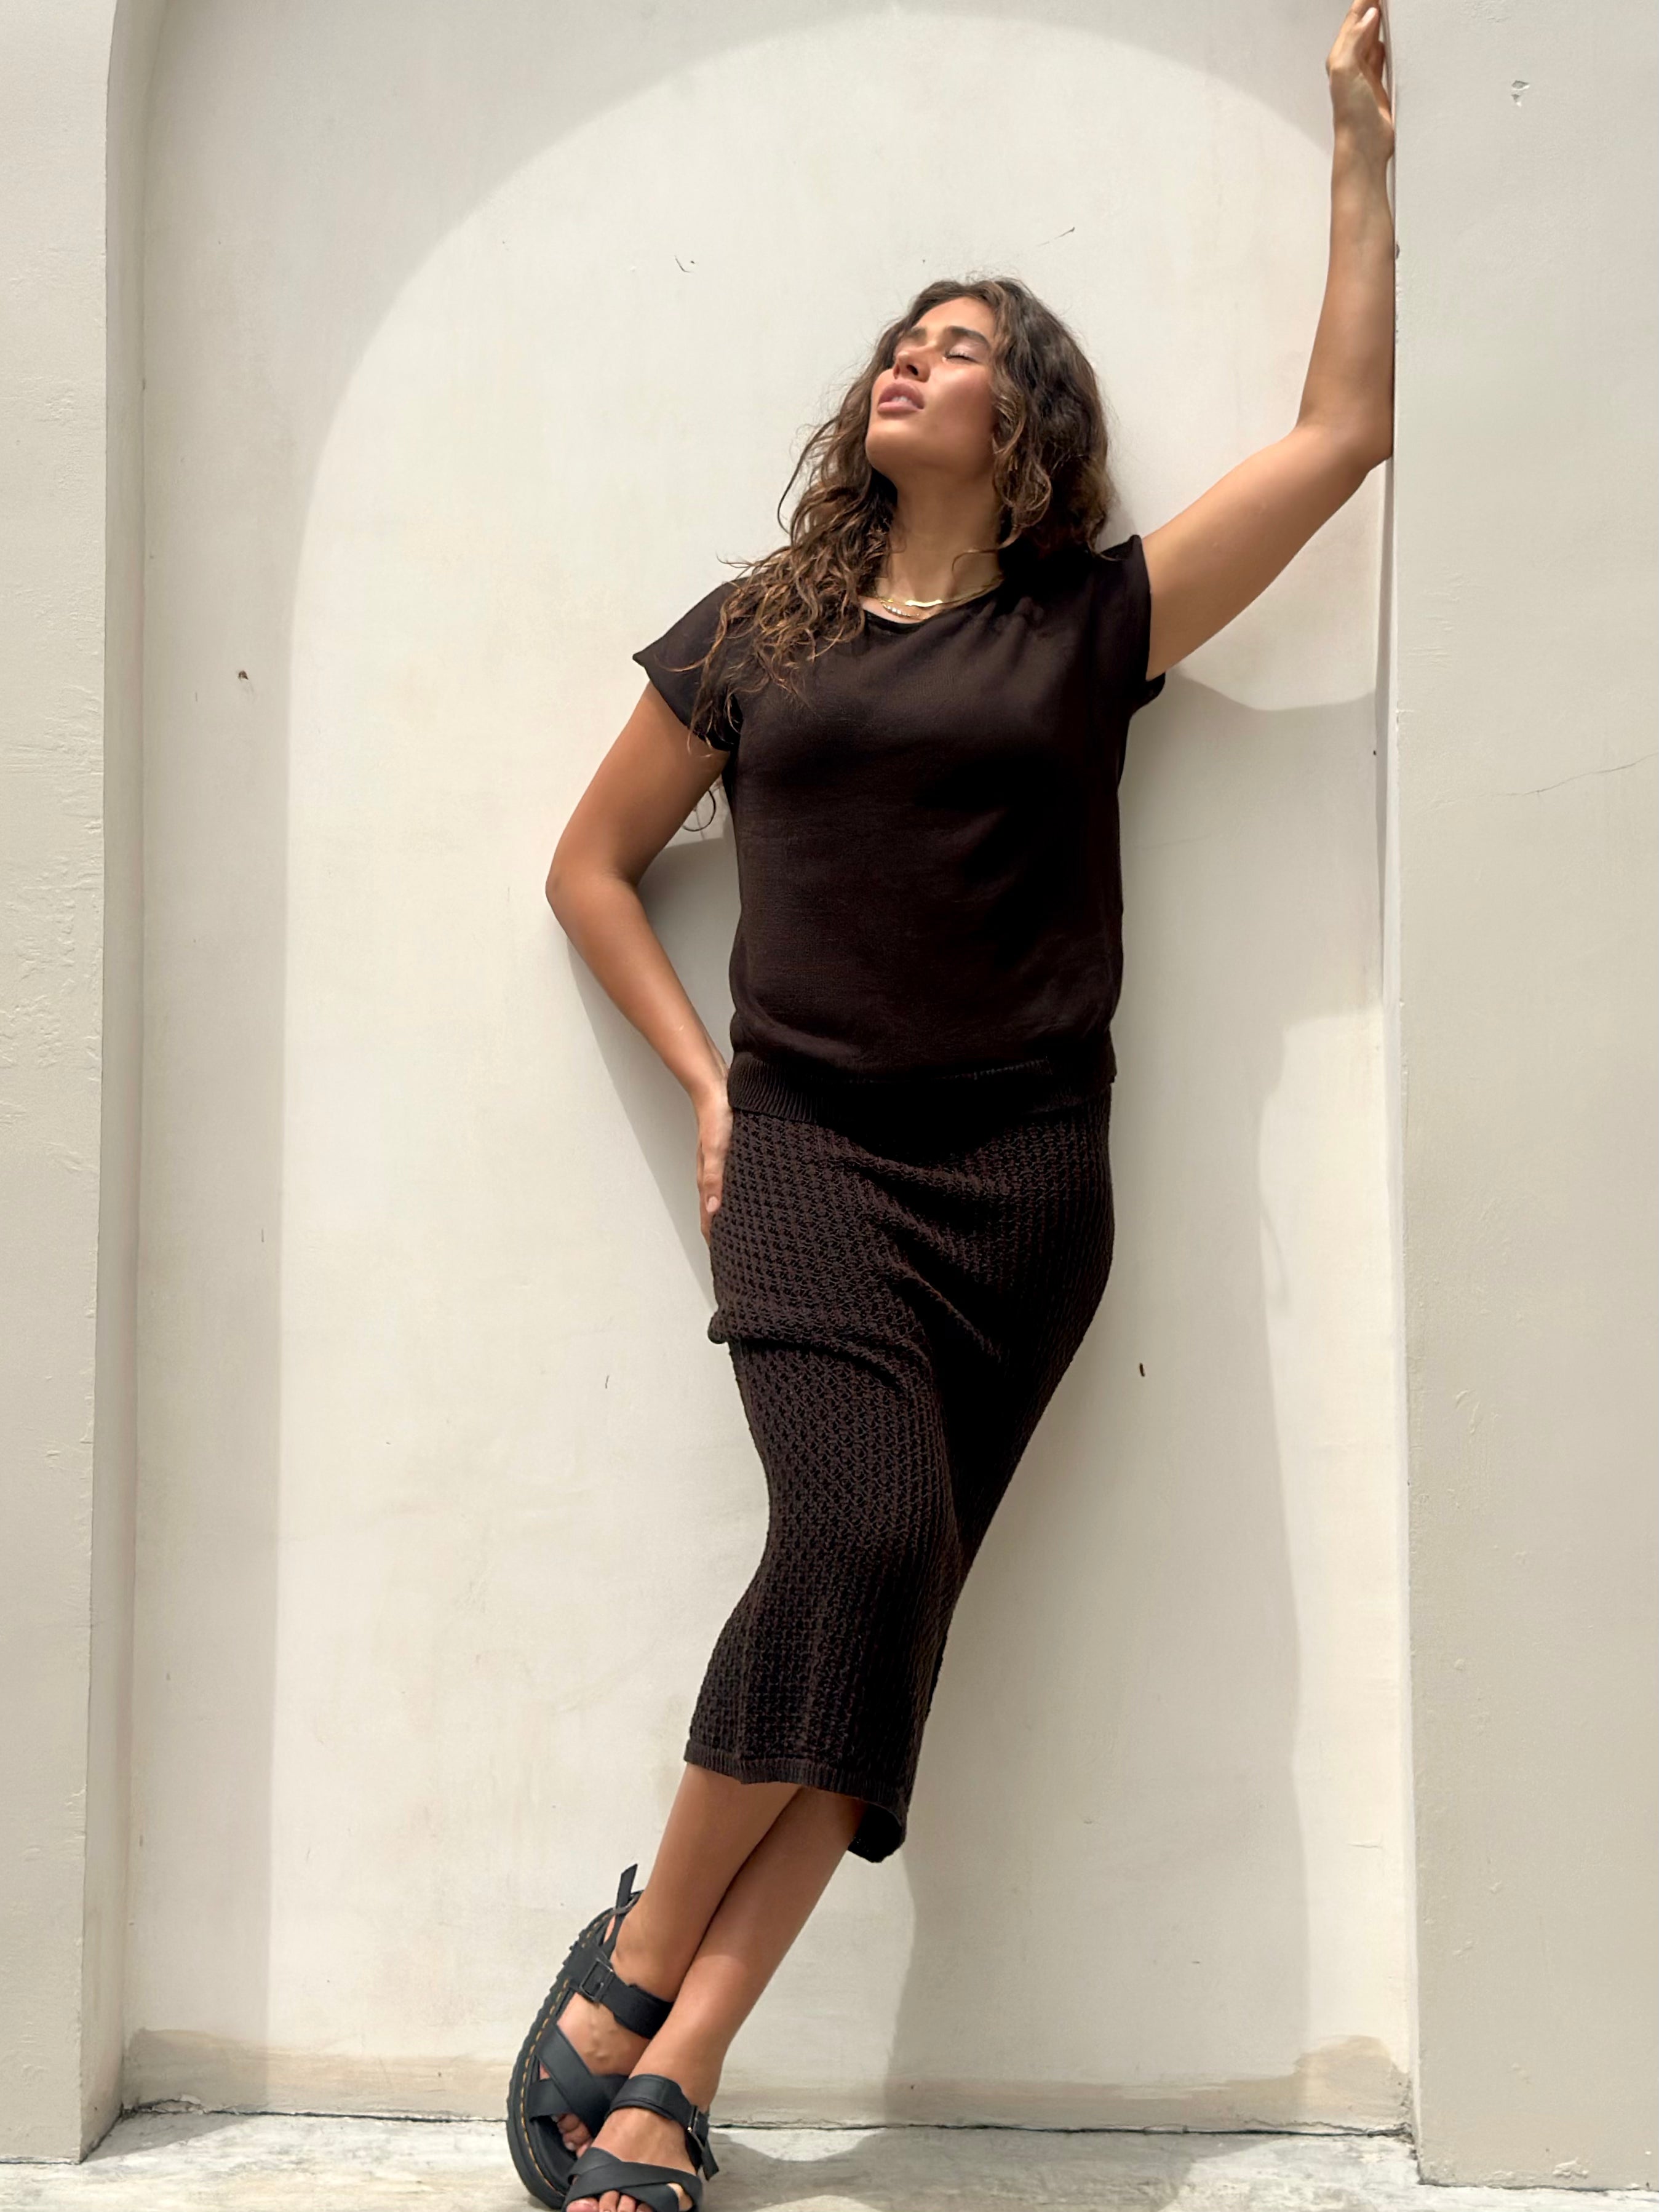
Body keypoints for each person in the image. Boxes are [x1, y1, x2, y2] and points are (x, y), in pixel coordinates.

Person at [508, 9, 1393, 2206]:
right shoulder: (755, 631)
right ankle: (633, 1956)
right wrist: (707, 1083)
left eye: (961, 344)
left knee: (893, 1607)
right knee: (860, 1542)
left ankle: (671, 2070)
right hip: (809, 1156)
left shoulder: (1092, 625)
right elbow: (589, 868)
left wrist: (1357, 150)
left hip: (1023, 1188)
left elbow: (1341, 431)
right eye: (900, 340)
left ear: (1028, 424)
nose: (910, 359)